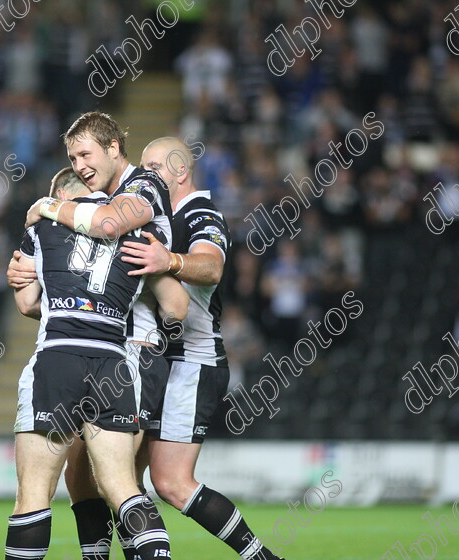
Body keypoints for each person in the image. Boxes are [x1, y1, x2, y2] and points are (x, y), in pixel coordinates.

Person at [12, 112, 177, 558]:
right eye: (73, 157)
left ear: (113, 147)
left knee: (35, 493)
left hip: (91, 351)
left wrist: (45, 208)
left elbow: (27, 302)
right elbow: (176, 305)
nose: (80, 163)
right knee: (110, 485)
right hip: (117, 357)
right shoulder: (125, 221)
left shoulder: (143, 186)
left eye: (86, 153)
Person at [120, 137, 285, 559]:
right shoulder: (156, 216)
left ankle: (262, 558)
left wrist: (169, 261)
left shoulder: (200, 212)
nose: (145, 174)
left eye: (155, 166)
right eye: (142, 166)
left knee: (171, 483)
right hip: (155, 360)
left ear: (180, 171)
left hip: (190, 360)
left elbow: (211, 265)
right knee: (120, 479)